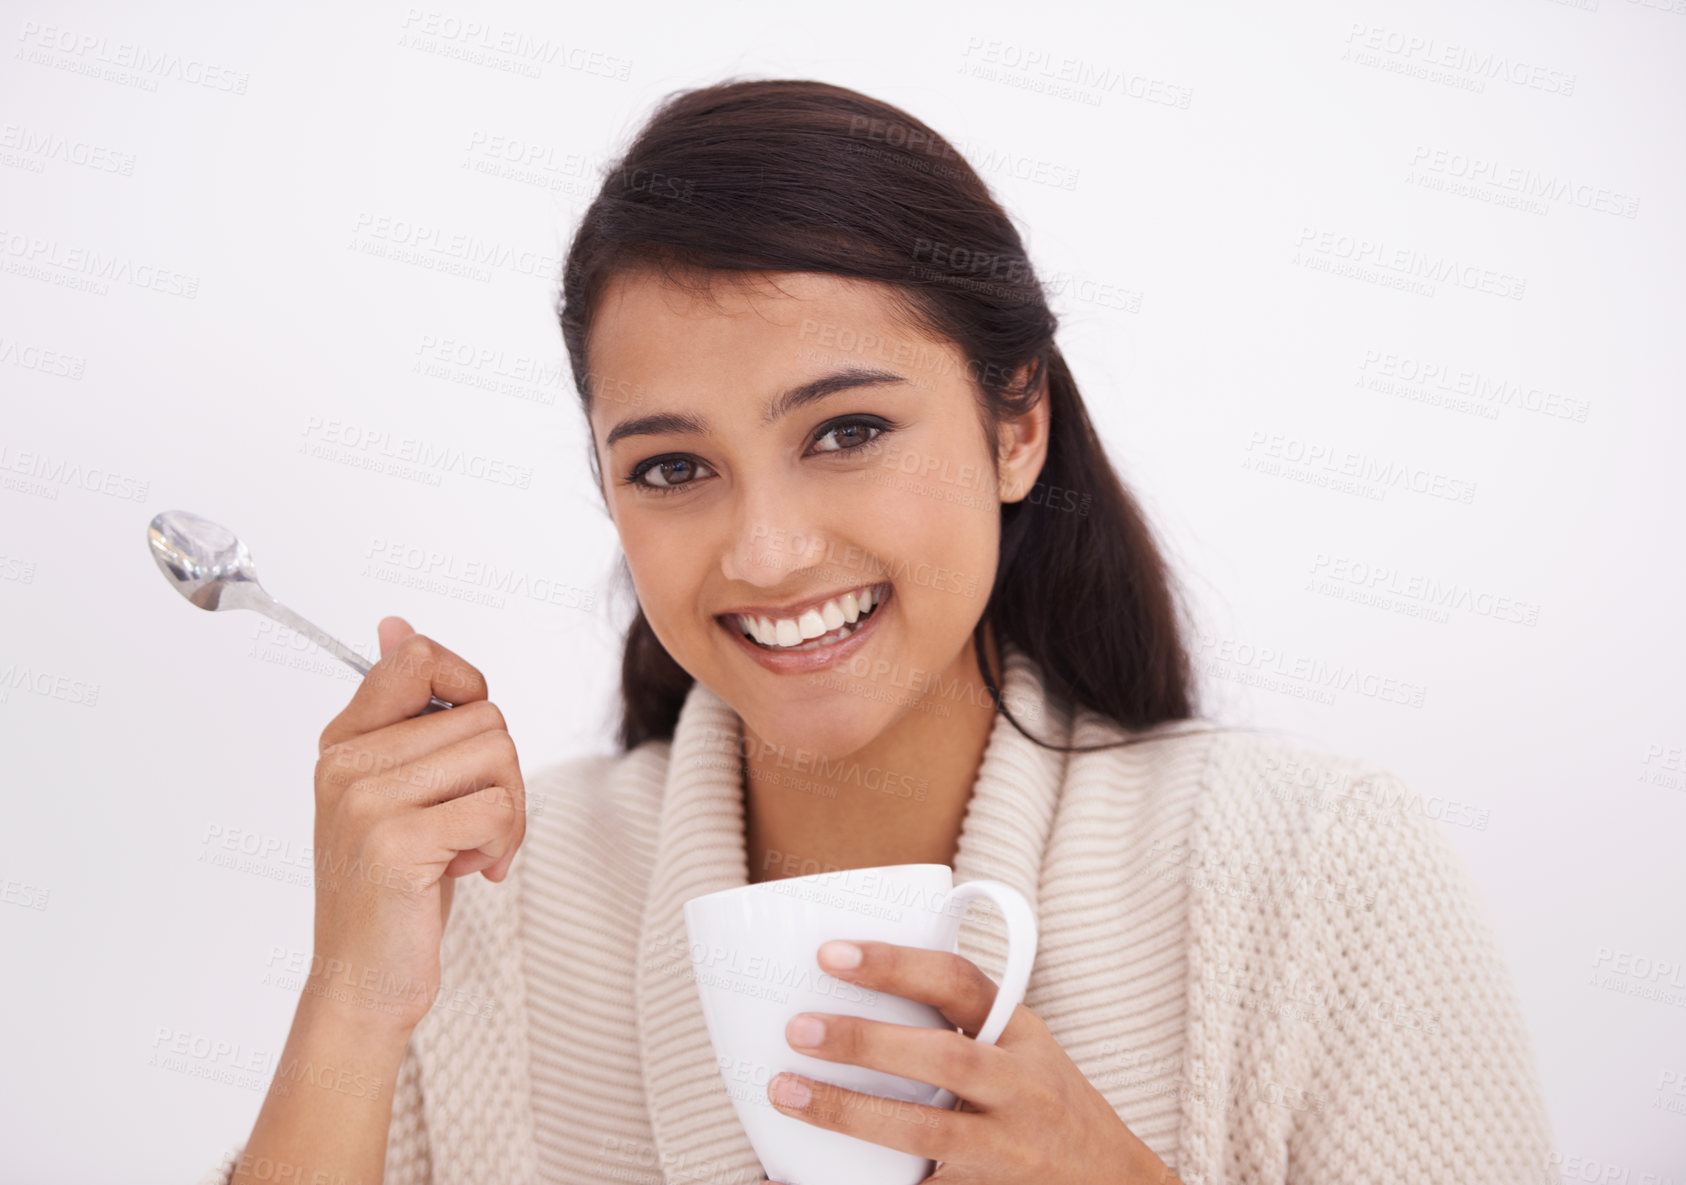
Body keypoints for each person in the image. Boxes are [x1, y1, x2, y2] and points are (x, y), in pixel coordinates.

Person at [200, 78, 1557, 1185]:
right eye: (673, 466)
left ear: (1015, 422)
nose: (767, 550)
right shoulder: (493, 904)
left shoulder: (1315, 871)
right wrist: (352, 1000)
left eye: (846, 431)